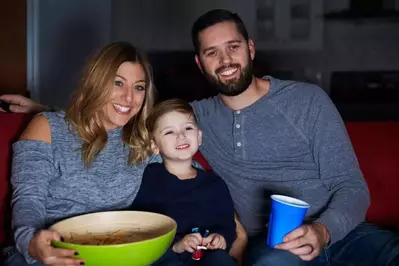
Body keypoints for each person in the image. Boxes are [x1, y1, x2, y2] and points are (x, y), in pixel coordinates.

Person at [3, 9, 399, 266]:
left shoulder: (307, 100)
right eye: (212, 53)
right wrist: (47, 112)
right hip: (276, 250)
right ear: (200, 62)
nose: (225, 60)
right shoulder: (192, 118)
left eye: (232, 47)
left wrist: (324, 230)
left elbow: (351, 186)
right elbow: (117, 118)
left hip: (344, 235)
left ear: (250, 47)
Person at [4, 41, 157, 266]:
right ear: (96, 82)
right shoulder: (47, 127)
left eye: (139, 87)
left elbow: (193, 176)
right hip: (49, 255)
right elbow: (28, 198)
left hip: (114, 257)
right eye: (118, 83)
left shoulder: (143, 142)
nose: (128, 97)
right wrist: (31, 241)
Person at [131, 99, 238, 266]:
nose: (181, 136)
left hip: (206, 258)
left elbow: (227, 225)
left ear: (199, 136)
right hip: (165, 257)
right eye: (169, 132)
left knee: (222, 260)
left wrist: (220, 238)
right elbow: (141, 227)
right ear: (154, 146)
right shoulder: (149, 179)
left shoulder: (215, 184)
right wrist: (177, 245)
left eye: (188, 128)